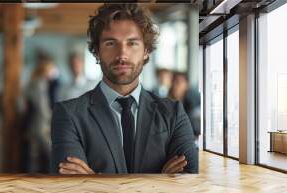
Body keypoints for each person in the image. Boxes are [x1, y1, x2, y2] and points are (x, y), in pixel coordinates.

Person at [51, 3, 198, 174]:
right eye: (111, 43)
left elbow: (189, 180)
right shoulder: (68, 114)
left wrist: (92, 179)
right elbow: (68, 189)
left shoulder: (173, 113)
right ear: (97, 51)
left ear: (146, 51)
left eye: (132, 43)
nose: (122, 54)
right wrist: (161, 180)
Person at [25, 58, 55, 173]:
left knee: (39, 154)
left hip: (36, 122)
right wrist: (51, 118)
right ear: (45, 70)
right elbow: (41, 105)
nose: (53, 72)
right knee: (49, 152)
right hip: (40, 123)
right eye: (51, 69)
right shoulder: (40, 83)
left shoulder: (36, 81)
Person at [169, 72, 201, 139]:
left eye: (179, 82)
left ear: (187, 85)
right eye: (173, 82)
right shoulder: (166, 104)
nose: (176, 85)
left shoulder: (192, 106)